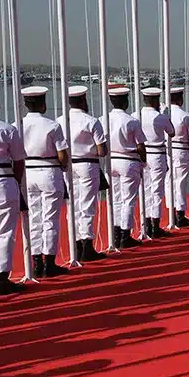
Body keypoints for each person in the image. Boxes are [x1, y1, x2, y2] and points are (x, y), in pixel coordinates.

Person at [21, 85, 69, 278]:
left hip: (28, 173)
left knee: (34, 217)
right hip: (49, 170)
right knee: (50, 218)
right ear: (42, 103)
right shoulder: (52, 125)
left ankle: (36, 262)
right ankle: (49, 261)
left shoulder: (19, 124)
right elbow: (62, 155)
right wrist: (64, 166)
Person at [59, 85, 107, 261]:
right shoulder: (91, 121)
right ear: (82, 100)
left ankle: (76, 244)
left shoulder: (60, 120)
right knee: (87, 205)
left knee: (72, 205)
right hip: (87, 164)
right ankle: (86, 244)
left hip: (69, 166)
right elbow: (102, 151)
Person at [107, 86, 147, 249]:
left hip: (112, 161)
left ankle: (116, 232)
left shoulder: (104, 118)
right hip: (128, 160)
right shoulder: (131, 121)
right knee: (128, 199)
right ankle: (125, 235)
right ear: (125, 101)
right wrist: (143, 163)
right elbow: (140, 146)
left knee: (116, 198)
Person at [139, 86, 175, 239]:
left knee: (145, 188)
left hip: (143, 154)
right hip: (157, 154)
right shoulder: (161, 117)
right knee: (157, 190)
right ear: (155, 100)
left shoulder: (136, 115)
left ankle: (146, 221)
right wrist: (166, 116)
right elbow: (172, 132)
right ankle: (155, 224)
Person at [0, 109, 26, 295]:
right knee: (5, 232)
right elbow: (18, 161)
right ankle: (1, 278)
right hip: (4, 181)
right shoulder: (8, 130)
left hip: (5, 179)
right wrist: (15, 181)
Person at [168, 86, 189, 227]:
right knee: (181, 182)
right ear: (180, 99)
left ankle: (171, 212)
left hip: (167, 151)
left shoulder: (164, 115)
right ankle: (180, 213)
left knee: (169, 182)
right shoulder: (186, 116)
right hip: (182, 150)